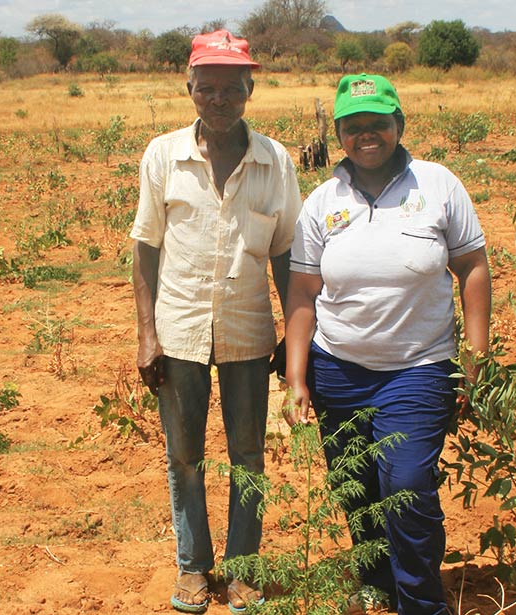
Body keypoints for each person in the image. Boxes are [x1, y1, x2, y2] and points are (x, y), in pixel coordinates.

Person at [283, 74, 491, 615]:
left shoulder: (438, 185)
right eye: (353, 127)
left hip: (418, 368)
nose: (367, 136)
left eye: (379, 124)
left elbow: (471, 267)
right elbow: (304, 290)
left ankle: (421, 602)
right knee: (355, 487)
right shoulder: (321, 201)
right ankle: (376, 583)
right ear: (339, 135)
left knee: (407, 485)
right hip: (338, 369)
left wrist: (475, 356)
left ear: (399, 125)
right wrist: (297, 377)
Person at [131, 30, 302, 615]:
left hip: (249, 329)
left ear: (250, 90)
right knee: (184, 454)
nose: (220, 99)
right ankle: (192, 568)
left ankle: (245, 568)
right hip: (176, 328)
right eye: (208, 88)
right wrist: (147, 334)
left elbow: (286, 253)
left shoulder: (274, 160)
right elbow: (146, 247)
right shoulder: (163, 154)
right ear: (190, 90)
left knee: (248, 456)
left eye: (232, 88)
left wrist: (292, 339)